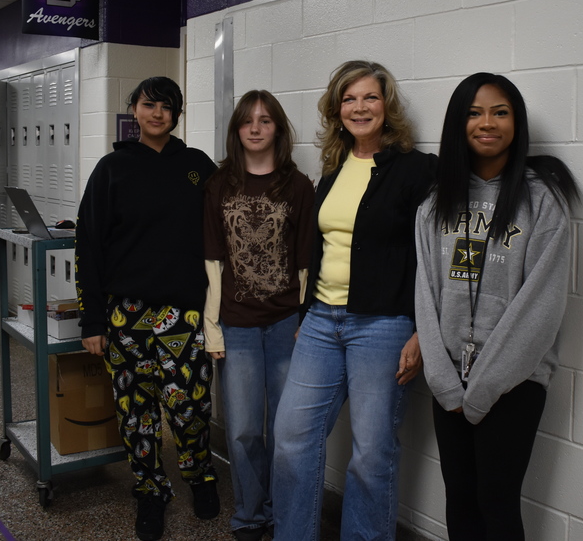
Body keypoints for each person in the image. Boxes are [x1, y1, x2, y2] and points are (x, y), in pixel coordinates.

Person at [272, 60, 435, 541]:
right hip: (322, 320)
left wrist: (423, 329)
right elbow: (322, 249)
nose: (359, 107)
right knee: (292, 439)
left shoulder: (417, 170)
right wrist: (308, 315)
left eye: (370, 97)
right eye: (349, 98)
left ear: (388, 106)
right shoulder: (335, 168)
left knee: (371, 452)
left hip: (384, 326)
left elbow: (433, 258)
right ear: (336, 107)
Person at [414, 73, 579, 541]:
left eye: (500, 112)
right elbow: (425, 295)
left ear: (517, 122)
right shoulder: (434, 204)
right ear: (456, 123)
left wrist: (484, 387)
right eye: (474, 112)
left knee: (497, 503)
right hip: (450, 381)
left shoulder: (542, 201)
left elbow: (541, 308)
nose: (487, 123)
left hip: (513, 382)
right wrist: (445, 381)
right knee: (460, 501)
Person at [75, 76, 219, 541]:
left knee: (191, 409)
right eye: (149, 104)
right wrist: (92, 320)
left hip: (184, 314)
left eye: (167, 107)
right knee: (136, 413)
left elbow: (223, 235)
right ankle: (150, 490)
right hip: (127, 316)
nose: (158, 113)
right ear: (134, 110)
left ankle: (199, 477)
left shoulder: (198, 167)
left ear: (177, 114)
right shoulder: (112, 169)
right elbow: (89, 247)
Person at [202, 91, 314, 541]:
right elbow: (212, 261)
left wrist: (307, 321)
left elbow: (307, 260)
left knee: (285, 429)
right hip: (238, 325)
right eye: (247, 121)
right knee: (245, 428)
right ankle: (250, 516)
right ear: (237, 130)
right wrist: (212, 326)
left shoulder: (298, 186)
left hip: (287, 323)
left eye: (265, 121)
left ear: (278, 130)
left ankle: (283, 513)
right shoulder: (219, 185)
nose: (255, 128)